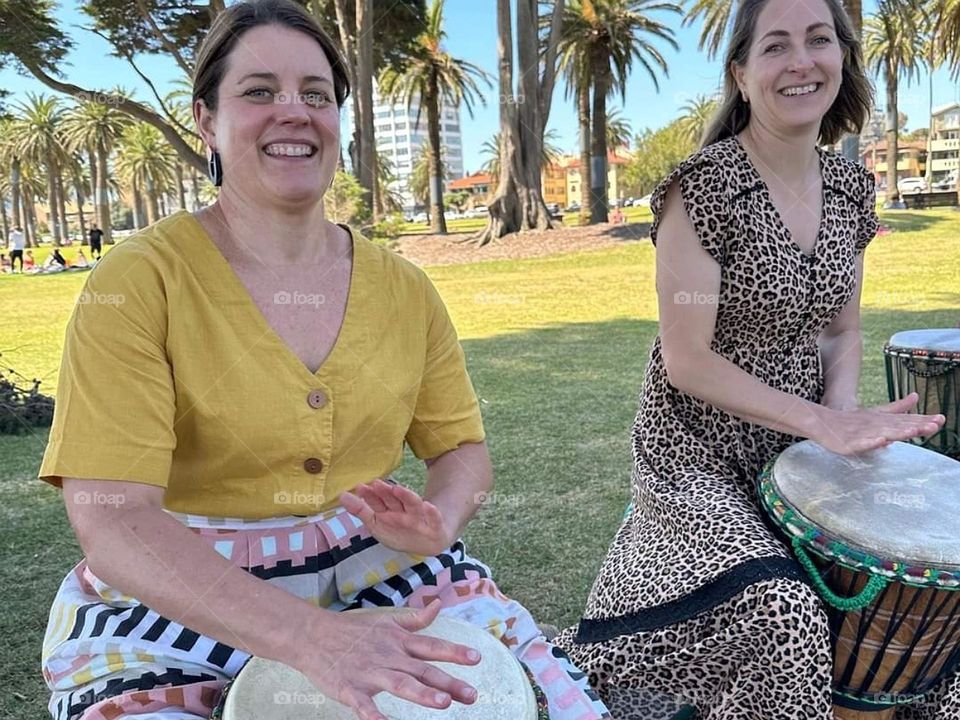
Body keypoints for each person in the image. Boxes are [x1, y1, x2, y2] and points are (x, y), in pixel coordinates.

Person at [37, 3, 611, 720]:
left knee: (548, 701)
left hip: (386, 576)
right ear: (206, 120)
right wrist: (312, 638)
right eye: (259, 91)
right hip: (180, 593)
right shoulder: (138, 281)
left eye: (316, 94)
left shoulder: (405, 288)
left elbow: (461, 449)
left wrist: (441, 520)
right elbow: (115, 518)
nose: (294, 111)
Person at [554, 0, 948, 718]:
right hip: (695, 454)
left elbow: (841, 332)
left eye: (818, 39)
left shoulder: (850, 189)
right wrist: (822, 425)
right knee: (785, 612)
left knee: (927, 593)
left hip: (798, 448)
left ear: (842, 56)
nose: (801, 61)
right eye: (775, 46)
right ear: (740, 73)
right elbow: (687, 359)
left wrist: (839, 420)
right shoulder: (704, 188)